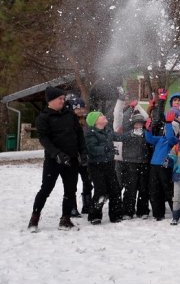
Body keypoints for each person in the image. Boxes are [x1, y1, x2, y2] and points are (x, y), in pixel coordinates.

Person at [28, 87, 87, 232]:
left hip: (71, 159)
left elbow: (79, 134)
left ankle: (65, 219)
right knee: (46, 189)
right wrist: (57, 154)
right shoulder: (43, 117)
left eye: (63, 98)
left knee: (70, 190)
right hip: (54, 160)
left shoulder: (70, 115)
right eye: (60, 98)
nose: (63, 101)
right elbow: (44, 139)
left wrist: (83, 152)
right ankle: (34, 218)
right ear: (51, 101)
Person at [83, 111, 124, 225]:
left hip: (109, 164)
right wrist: (107, 148)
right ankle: (94, 215)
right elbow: (92, 149)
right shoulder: (91, 133)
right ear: (95, 121)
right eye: (101, 116)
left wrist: (131, 135)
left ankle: (116, 215)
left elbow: (119, 137)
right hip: (96, 165)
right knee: (100, 190)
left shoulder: (109, 131)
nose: (104, 116)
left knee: (115, 189)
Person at [65, 95, 92, 217]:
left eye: (82, 108)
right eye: (77, 108)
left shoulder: (88, 123)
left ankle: (87, 205)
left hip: (86, 158)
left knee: (87, 182)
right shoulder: (68, 122)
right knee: (72, 184)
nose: (80, 110)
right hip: (74, 158)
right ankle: (72, 207)